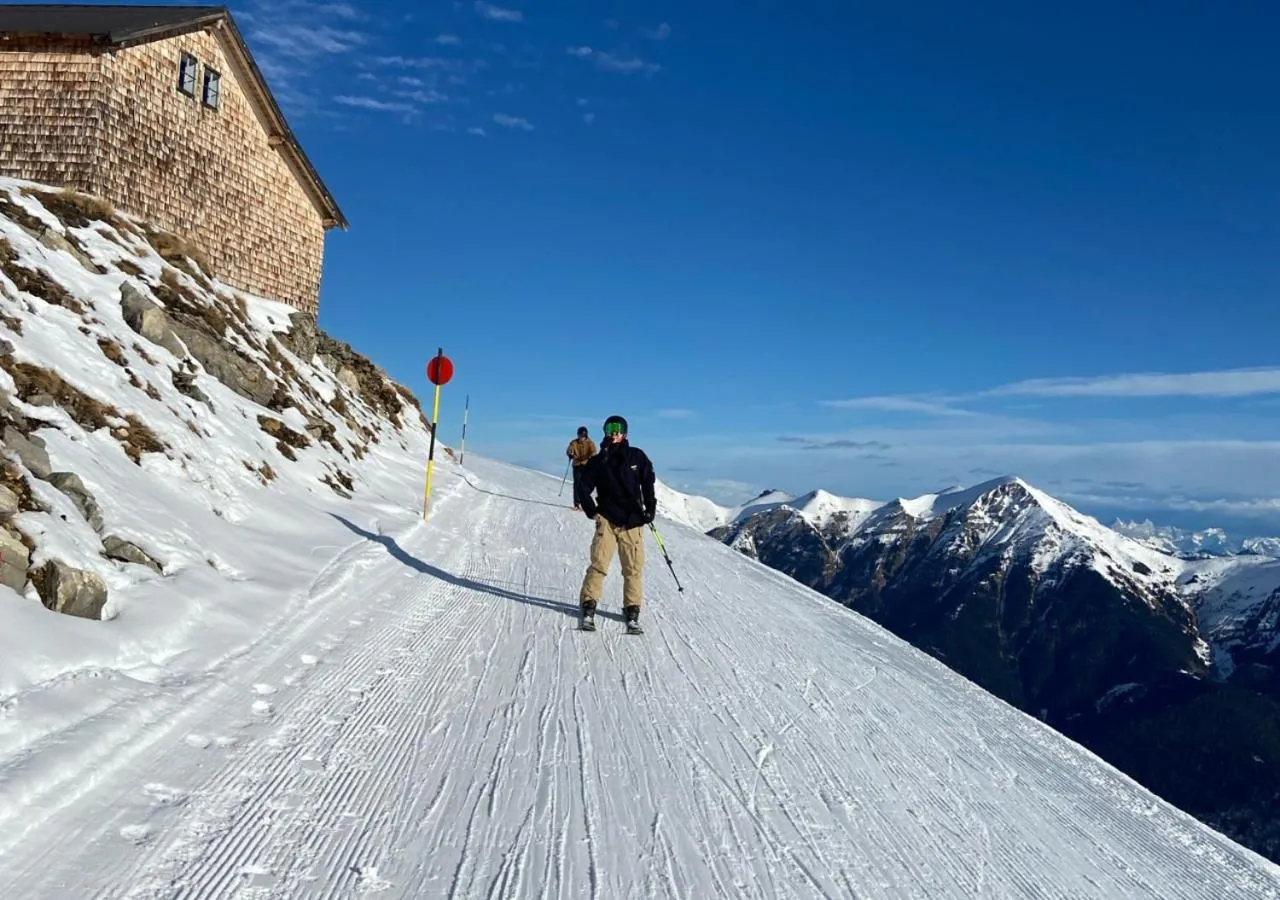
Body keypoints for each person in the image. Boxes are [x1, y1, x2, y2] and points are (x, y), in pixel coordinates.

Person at [576, 415, 656, 632]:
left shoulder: (636, 457)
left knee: (633, 569)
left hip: (633, 522)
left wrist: (650, 508)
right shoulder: (598, 460)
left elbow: (648, 481)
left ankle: (632, 610)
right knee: (599, 564)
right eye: (610, 429)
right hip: (608, 520)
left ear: (625, 433)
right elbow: (583, 487)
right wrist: (592, 511)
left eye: (618, 429)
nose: (614, 433)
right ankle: (588, 605)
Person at [565, 426, 597, 511]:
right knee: (577, 484)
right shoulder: (574, 443)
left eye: (583, 436)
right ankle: (576, 504)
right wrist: (570, 454)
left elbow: (594, 451)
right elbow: (569, 450)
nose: (581, 438)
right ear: (578, 435)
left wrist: (591, 457)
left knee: (585, 485)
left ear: (586, 436)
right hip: (577, 465)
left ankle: (585, 503)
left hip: (587, 466)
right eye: (580, 436)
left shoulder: (590, 443)